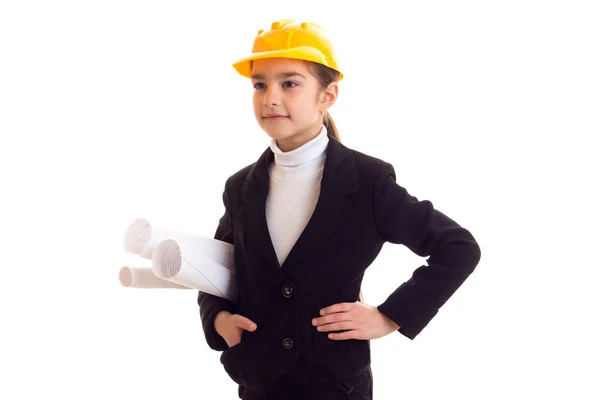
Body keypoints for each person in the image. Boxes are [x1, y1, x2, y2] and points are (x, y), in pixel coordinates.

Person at [197, 20, 481, 399]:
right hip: (259, 384)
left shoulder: (368, 181)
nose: (270, 98)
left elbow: (458, 248)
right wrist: (218, 318)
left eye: (290, 83)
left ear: (328, 95)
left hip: (335, 386)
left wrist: (389, 316)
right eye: (259, 84)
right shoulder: (240, 186)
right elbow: (217, 265)